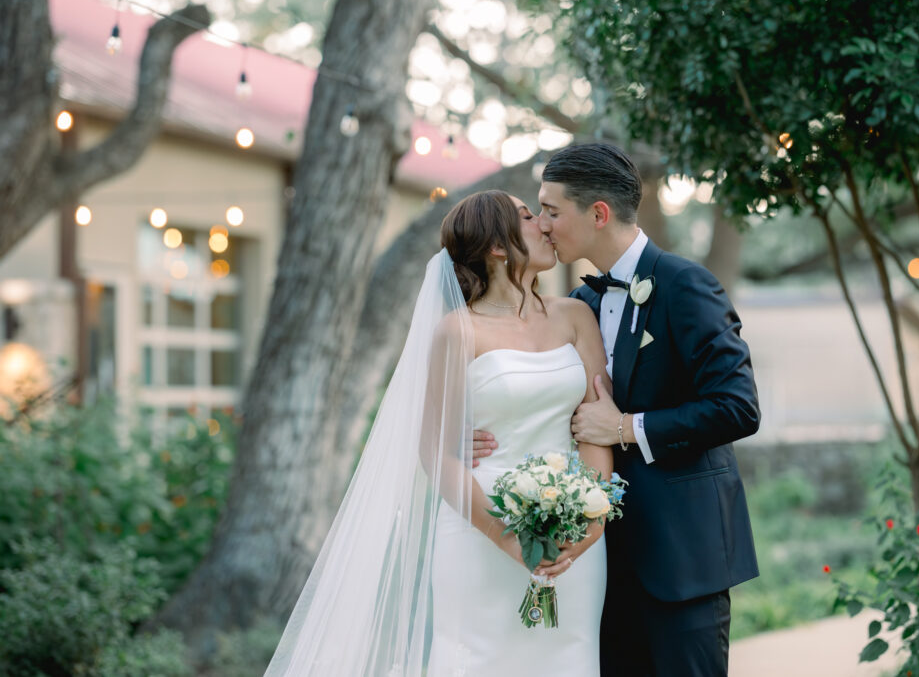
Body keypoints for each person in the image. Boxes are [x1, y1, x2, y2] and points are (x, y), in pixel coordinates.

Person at [265, 190, 613, 676]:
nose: (545, 225)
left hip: (572, 543)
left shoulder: (576, 317)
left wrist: (590, 526)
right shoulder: (457, 330)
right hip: (482, 531)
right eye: (529, 217)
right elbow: (435, 450)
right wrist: (507, 537)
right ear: (497, 245)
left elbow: (596, 429)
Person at [474, 143, 760, 676]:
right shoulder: (576, 308)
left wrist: (628, 428)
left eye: (552, 211)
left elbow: (737, 407)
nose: (543, 224)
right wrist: (472, 433)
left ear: (598, 214)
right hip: (597, 563)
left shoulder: (685, 285)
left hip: (681, 559)